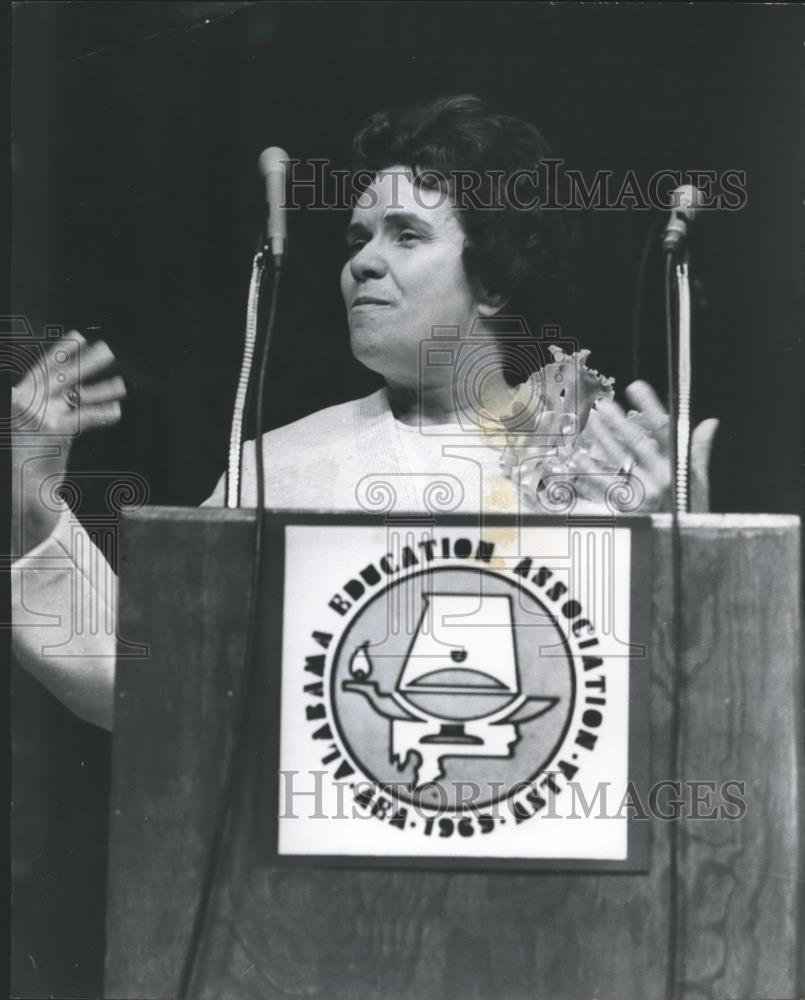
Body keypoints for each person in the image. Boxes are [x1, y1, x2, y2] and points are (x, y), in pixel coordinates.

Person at [11, 94, 718, 731]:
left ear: (494, 278)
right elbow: (153, 680)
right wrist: (30, 505)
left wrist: (684, 559)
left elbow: (680, 704)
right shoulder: (276, 468)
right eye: (358, 239)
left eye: (406, 235)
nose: (362, 264)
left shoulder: (602, 462)